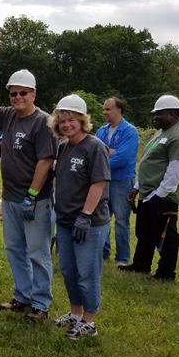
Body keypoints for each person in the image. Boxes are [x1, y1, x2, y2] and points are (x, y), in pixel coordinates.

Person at [0, 67, 57, 321]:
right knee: (14, 249)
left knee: (38, 253)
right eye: (13, 93)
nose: (18, 97)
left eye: (23, 93)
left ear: (33, 95)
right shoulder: (9, 116)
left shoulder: (43, 122)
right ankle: (22, 296)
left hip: (34, 200)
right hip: (10, 197)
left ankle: (40, 304)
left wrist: (32, 194)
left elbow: (45, 160)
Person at [48, 94, 110, 339]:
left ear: (83, 121)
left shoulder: (95, 147)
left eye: (72, 119)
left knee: (87, 272)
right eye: (62, 120)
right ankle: (76, 313)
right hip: (65, 221)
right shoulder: (64, 147)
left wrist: (85, 215)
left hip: (89, 223)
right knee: (69, 271)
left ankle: (89, 321)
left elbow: (99, 183)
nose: (66, 125)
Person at [121, 95, 179, 281]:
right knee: (144, 232)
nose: (155, 117)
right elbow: (149, 162)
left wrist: (159, 194)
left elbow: (177, 170)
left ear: (172, 114)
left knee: (165, 235)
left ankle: (166, 273)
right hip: (148, 193)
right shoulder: (160, 133)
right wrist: (137, 187)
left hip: (163, 196)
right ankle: (141, 265)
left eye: (159, 113)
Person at [95, 97, 139, 265]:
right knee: (102, 218)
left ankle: (122, 258)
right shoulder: (102, 131)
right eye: (104, 109)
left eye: (108, 109)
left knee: (121, 220)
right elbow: (94, 152)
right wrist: (110, 152)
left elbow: (123, 158)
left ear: (118, 110)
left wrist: (103, 161)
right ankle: (103, 252)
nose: (104, 112)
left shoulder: (130, 131)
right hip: (104, 181)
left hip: (122, 181)